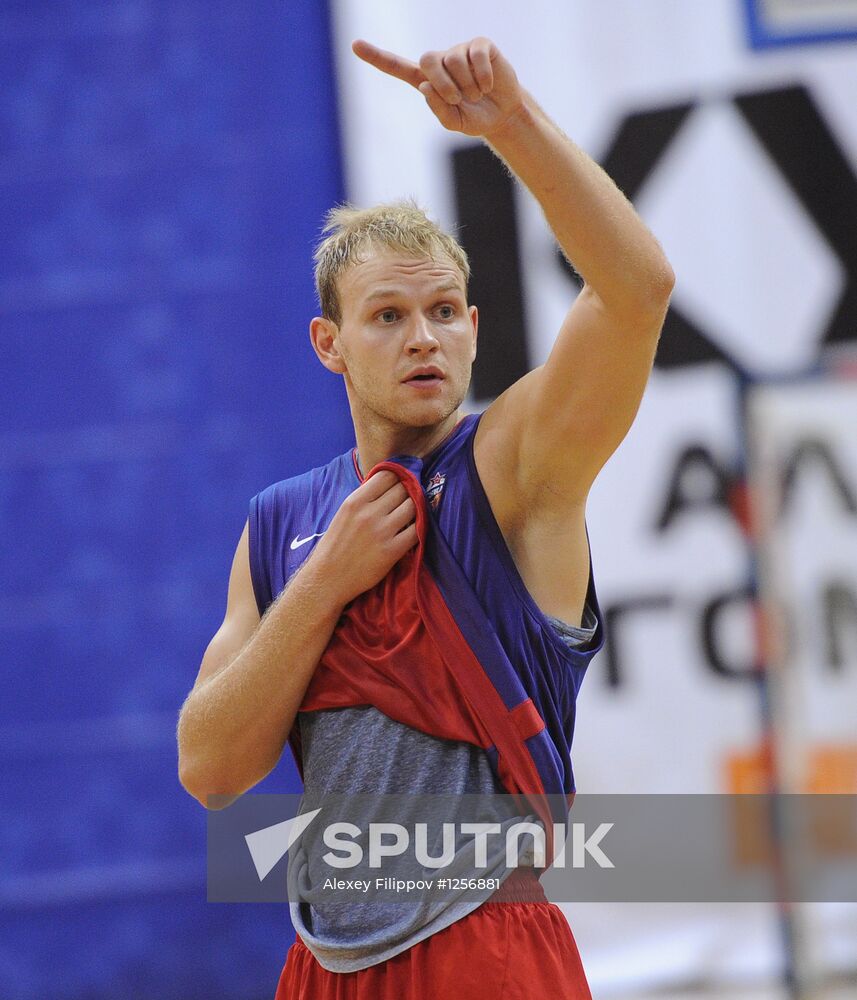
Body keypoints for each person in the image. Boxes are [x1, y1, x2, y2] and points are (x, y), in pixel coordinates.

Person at [177, 36, 674, 999]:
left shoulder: (514, 465)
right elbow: (210, 768)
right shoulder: (282, 525)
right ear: (330, 344)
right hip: (326, 960)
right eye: (388, 317)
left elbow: (637, 291)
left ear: (475, 328)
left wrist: (510, 125)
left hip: (485, 941)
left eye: (444, 312)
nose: (424, 339)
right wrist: (326, 580)